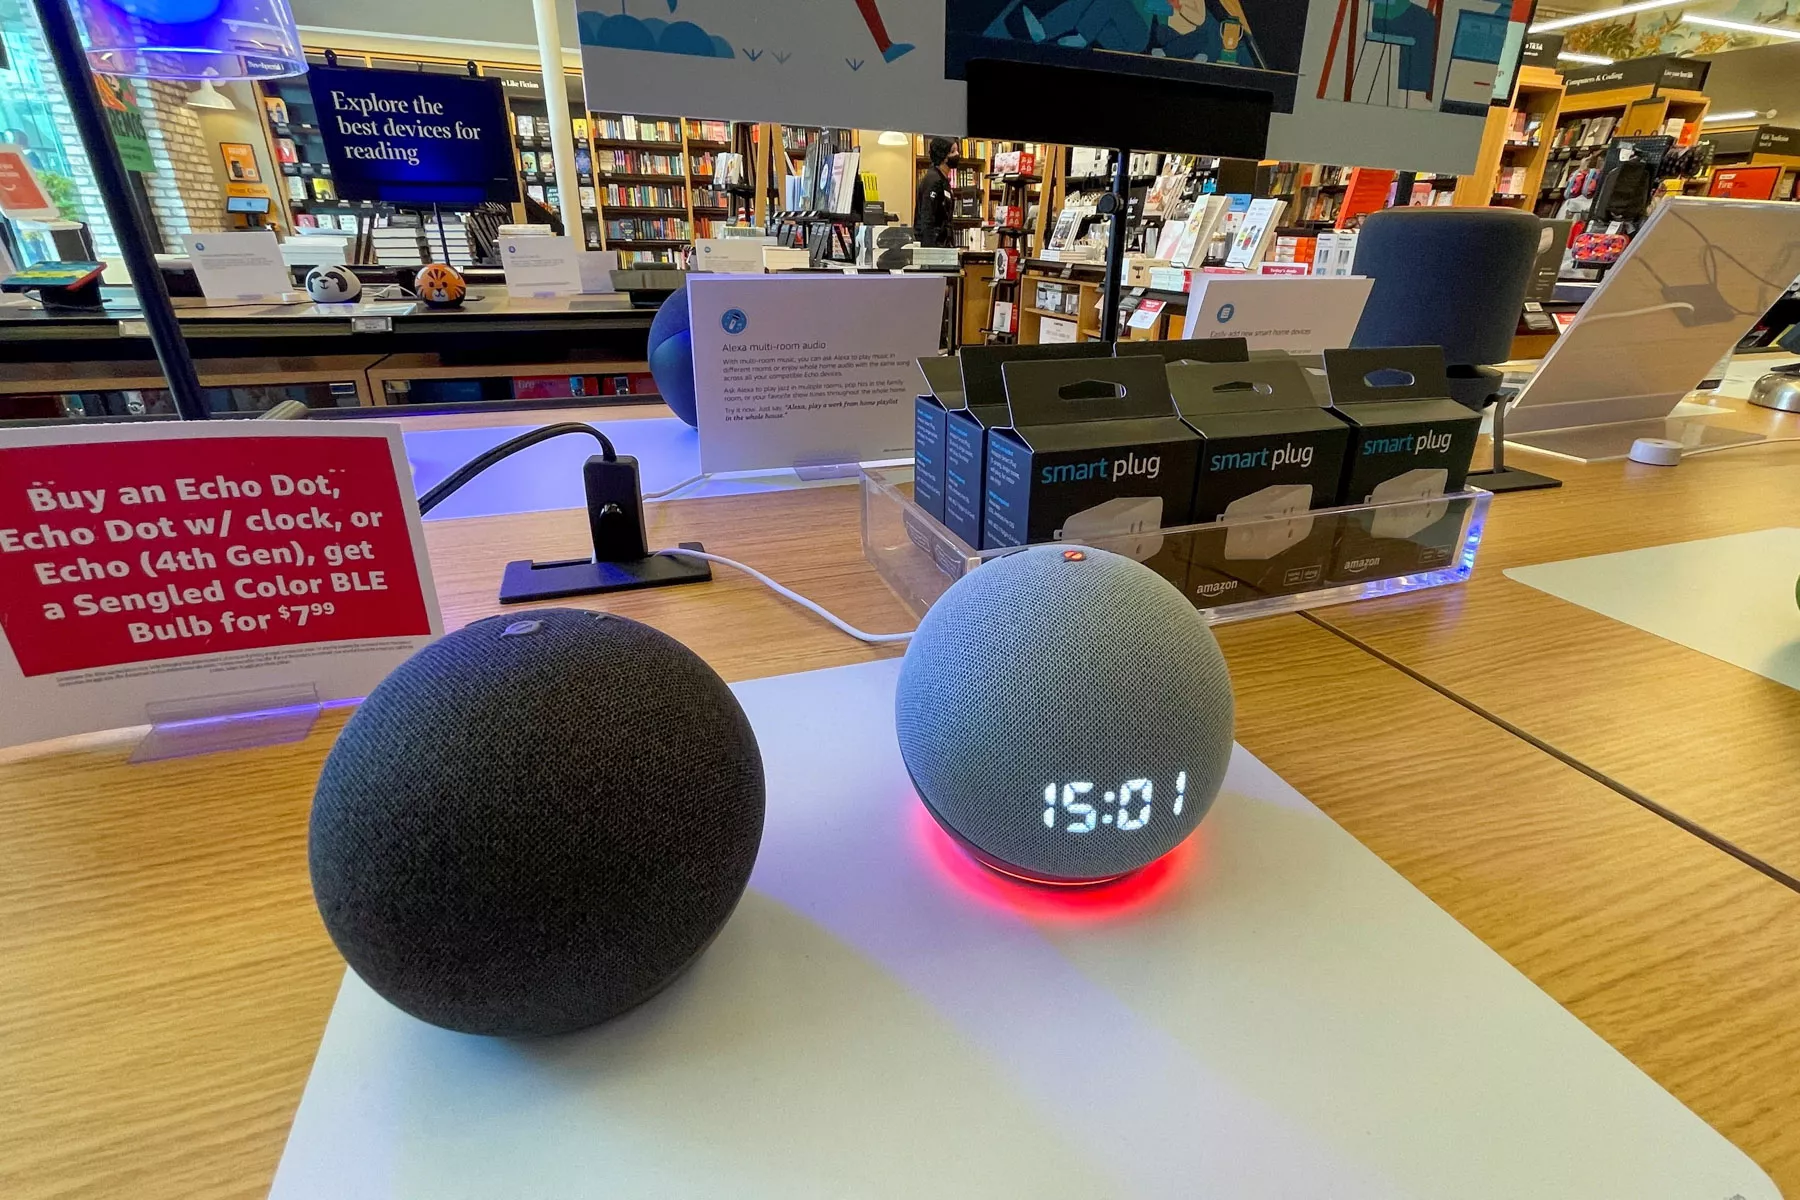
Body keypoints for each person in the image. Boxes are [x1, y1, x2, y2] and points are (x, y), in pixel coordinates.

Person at [915, 136, 958, 249]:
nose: (957, 154)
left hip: (943, 243)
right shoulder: (933, 181)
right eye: (953, 151)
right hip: (934, 245)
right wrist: (930, 250)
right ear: (944, 156)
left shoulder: (943, 180)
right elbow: (927, 218)